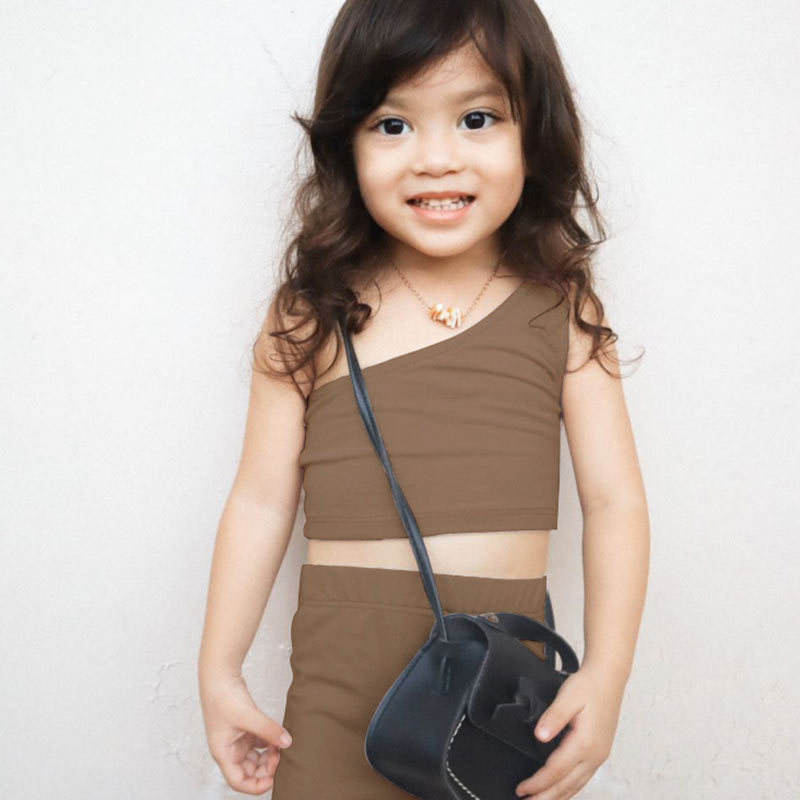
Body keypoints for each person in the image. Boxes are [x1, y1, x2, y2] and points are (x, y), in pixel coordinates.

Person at [198, 1, 650, 798]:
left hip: (497, 706)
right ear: (346, 143)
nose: (436, 159)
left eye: (477, 118)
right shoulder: (312, 311)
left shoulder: (561, 307)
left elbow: (615, 502)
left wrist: (606, 678)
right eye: (392, 125)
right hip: (337, 697)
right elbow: (261, 502)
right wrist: (219, 670)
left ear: (534, 133)